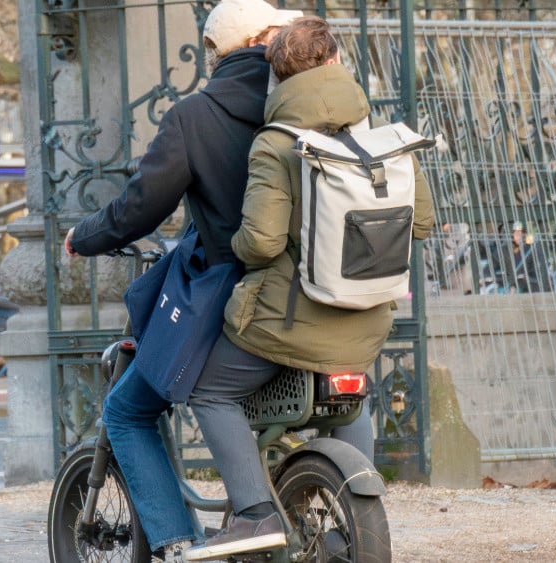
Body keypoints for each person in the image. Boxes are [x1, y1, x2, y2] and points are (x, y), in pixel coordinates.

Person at [183, 16, 435, 561]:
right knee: (349, 388)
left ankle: (253, 515)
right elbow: (420, 225)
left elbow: (261, 244)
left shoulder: (275, 143)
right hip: (366, 320)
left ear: (277, 77)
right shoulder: (385, 140)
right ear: (337, 62)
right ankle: (354, 504)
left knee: (209, 390)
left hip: (288, 322)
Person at [62, 1, 302, 561]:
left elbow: (139, 209)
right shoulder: (305, 105)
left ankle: (176, 542)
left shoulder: (195, 116)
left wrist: (85, 235)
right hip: (319, 297)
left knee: (126, 410)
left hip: (236, 306)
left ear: (216, 53)